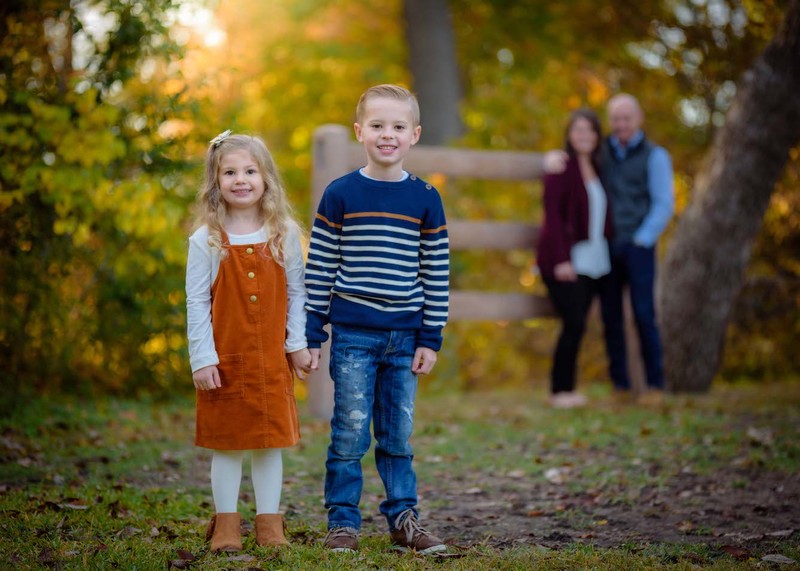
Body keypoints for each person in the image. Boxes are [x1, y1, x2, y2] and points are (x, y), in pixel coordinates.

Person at [305, 84, 449, 554]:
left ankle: (404, 517)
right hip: (353, 336)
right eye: (378, 125)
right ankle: (342, 523)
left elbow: (435, 272)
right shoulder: (341, 193)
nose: (388, 135)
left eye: (398, 127)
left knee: (397, 434)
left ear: (415, 135)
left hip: (405, 336)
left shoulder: (426, 199)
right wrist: (311, 329)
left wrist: (431, 337)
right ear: (359, 132)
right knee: (348, 431)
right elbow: (321, 265)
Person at [185, 131, 312, 552]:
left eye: (250, 171)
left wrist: (297, 343)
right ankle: (225, 526)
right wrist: (202, 358)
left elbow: (298, 293)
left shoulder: (284, 232)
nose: (241, 180)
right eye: (230, 172)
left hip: (272, 359)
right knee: (227, 446)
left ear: (266, 178)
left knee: (269, 443)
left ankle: (269, 525)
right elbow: (196, 301)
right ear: (216, 181)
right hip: (225, 360)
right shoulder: (206, 238)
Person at [599, 94, 674, 402]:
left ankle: (655, 385)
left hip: (639, 245)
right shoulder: (601, 152)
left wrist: (643, 239)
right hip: (606, 247)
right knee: (611, 317)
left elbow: (664, 204)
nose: (621, 124)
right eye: (616, 118)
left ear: (638, 118)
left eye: (626, 118)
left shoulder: (655, 155)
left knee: (644, 314)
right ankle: (621, 386)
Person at [537, 109, 612, 409]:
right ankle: (559, 391)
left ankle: (569, 389)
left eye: (590, 130)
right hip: (565, 260)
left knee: (580, 325)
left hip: (595, 261)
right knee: (574, 322)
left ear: (597, 136)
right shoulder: (561, 166)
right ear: (569, 134)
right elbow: (552, 216)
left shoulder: (598, 167)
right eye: (578, 130)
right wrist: (561, 259)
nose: (584, 135)